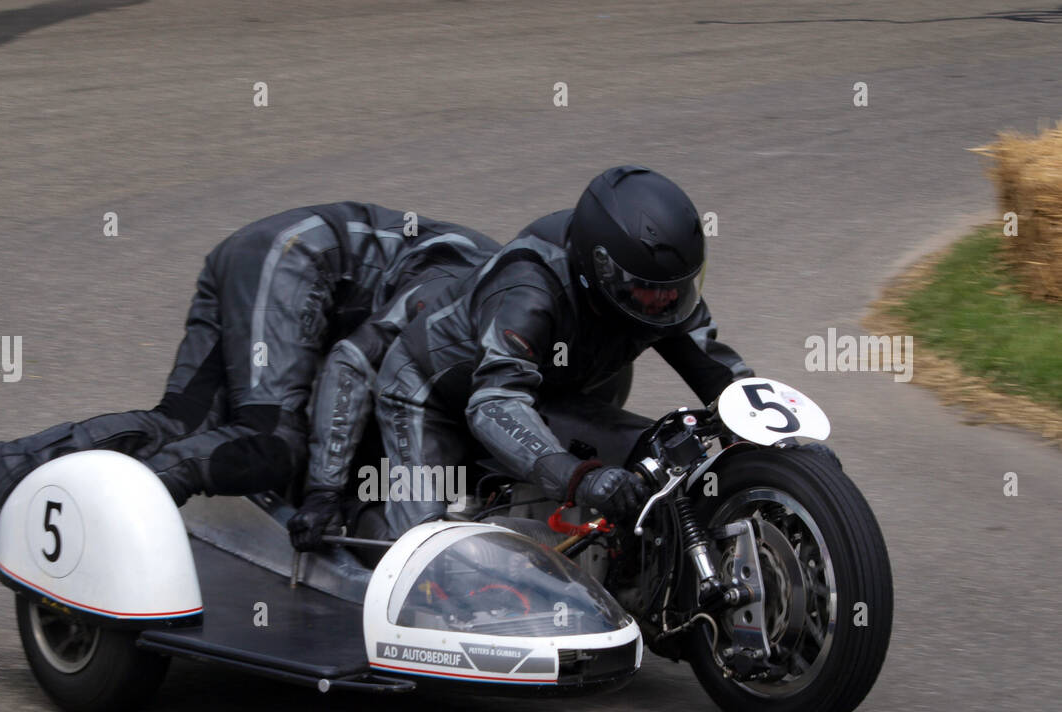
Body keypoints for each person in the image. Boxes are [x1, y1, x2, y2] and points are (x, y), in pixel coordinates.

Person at [0, 202, 496, 571]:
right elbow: (352, 364)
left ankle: (8, 462)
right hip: (298, 260)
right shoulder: (475, 301)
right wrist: (325, 493)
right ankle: (116, 518)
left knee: (184, 424)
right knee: (272, 441)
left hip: (267, 255)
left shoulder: (507, 306)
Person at [288, 165, 754, 549]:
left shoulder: (660, 295)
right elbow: (494, 404)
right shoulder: (528, 288)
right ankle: (357, 519)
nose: (664, 303)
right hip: (431, 393)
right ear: (601, 269)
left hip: (551, 385)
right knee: (423, 554)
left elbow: (720, 372)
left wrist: (774, 439)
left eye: (675, 289)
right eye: (650, 291)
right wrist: (577, 478)